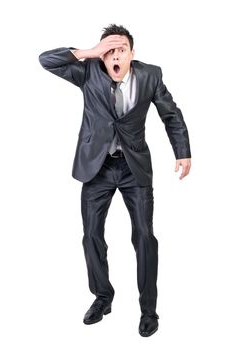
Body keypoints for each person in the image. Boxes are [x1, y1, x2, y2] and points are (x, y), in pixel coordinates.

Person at [39, 24, 191, 337]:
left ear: (132, 54)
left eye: (121, 49)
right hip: (97, 168)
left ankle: (149, 311)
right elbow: (46, 60)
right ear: (102, 55)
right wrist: (89, 53)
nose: (115, 55)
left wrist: (183, 151)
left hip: (134, 168)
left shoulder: (150, 75)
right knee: (91, 234)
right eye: (109, 50)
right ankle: (103, 297)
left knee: (144, 237)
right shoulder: (89, 72)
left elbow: (171, 114)